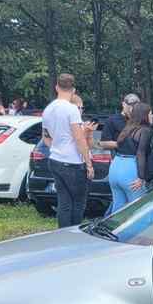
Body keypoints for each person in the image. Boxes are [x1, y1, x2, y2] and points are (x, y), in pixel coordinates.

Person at [42, 74, 96, 228]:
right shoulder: (71, 109)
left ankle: (62, 235)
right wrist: (89, 163)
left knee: (64, 202)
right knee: (78, 203)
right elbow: (79, 139)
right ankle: (74, 234)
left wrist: (58, 146)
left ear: (57, 87)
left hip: (55, 159)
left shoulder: (48, 109)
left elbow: (46, 138)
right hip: (73, 162)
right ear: (73, 89)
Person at [104, 101, 153, 215]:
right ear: (144, 115)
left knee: (118, 208)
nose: (152, 116)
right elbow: (140, 153)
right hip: (130, 170)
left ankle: (112, 232)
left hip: (115, 168)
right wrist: (141, 177)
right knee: (137, 209)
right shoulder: (145, 130)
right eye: (150, 113)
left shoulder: (127, 128)